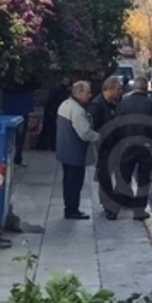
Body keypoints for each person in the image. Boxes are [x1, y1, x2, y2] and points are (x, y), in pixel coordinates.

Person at [113, 79, 152, 221]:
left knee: (123, 178)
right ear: (145, 88)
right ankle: (139, 210)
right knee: (144, 179)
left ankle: (113, 209)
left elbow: (116, 125)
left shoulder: (122, 105)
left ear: (134, 88)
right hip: (146, 145)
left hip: (126, 145)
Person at [55, 81, 98, 219]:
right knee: (74, 183)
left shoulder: (65, 105)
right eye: (87, 92)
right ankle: (72, 210)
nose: (90, 95)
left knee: (68, 182)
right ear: (79, 93)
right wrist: (98, 136)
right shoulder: (77, 110)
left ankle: (70, 208)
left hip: (65, 151)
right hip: (74, 152)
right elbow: (85, 133)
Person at [90, 76, 124, 219]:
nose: (120, 92)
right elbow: (95, 128)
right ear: (109, 89)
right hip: (104, 146)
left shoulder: (113, 103)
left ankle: (115, 202)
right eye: (118, 89)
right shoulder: (97, 105)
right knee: (105, 176)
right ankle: (109, 206)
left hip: (115, 145)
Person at [37, 75, 71, 151]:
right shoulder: (60, 89)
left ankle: (42, 144)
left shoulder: (60, 89)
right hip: (52, 110)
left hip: (51, 110)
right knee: (52, 128)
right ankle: (51, 145)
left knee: (48, 128)